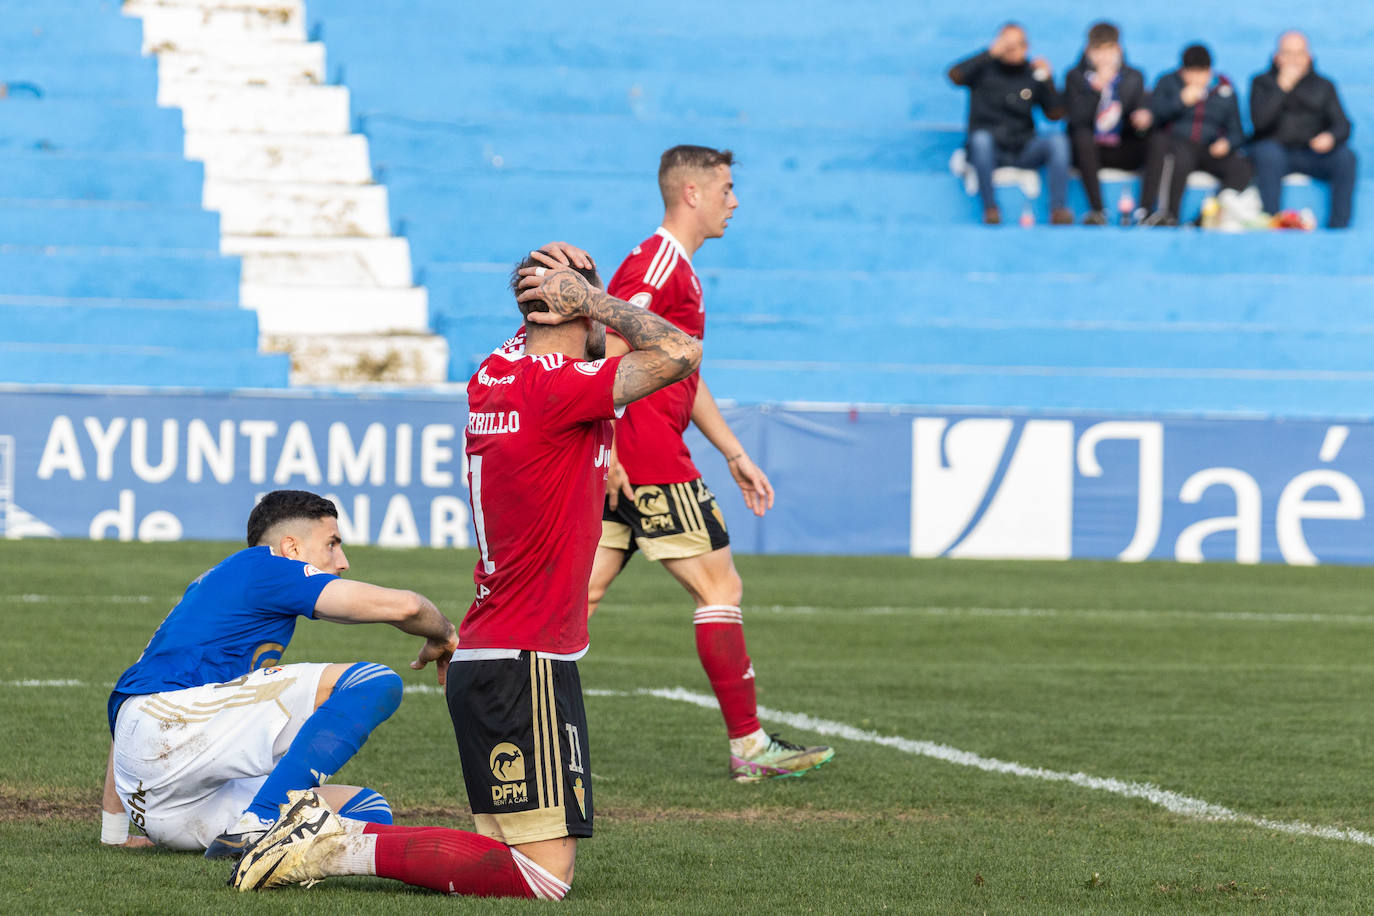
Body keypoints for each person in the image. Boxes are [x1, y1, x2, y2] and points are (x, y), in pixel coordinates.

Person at [230, 244, 704, 899]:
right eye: (598, 311)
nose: (611, 327)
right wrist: (590, 298)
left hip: (502, 649)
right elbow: (681, 352)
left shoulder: (495, 373)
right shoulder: (556, 387)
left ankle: (326, 838)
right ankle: (330, 839)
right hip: (524, 657)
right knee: (543, 877)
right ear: (576, 310)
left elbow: (557, 338)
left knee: (518, 856)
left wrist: (550, 291)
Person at [588, 145, 834, 783]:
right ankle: (749, 748)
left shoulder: (679, 270)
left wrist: (733, 451)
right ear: (691, 193)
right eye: (725, 187)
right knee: (720, 589)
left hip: (625, 458)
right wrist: (612, 445)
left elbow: (680, 370)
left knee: (575, 598)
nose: (735, 200)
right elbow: (610, 346)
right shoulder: (659, 262)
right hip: (648, 461)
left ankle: (503, 711)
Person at [101, 489, 458, 856]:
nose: (343, 560)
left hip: (160, 809)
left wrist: (114, 829)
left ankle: (255, 833)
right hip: (170, 735)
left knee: (366, 809)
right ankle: (260, 824)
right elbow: (407, 607)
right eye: (332, 544)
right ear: (291, 548)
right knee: (373, 683)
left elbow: (131, 699)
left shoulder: (216, 584)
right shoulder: (266, 565)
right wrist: (445, 634)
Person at [948, 23, 1072, 225]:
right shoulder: (983, 68)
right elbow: (954, 76)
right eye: (1008, 43)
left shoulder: (1033, 74)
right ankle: (990, 209)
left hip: (1023, 148)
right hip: (990, 149)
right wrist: (989, 53)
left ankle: (1058, 210)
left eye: (1019, 43)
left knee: (1058, 141)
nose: (1013, 49)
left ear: (1027, 46)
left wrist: (1048, 80)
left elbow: (1055, 114)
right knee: (980, 140)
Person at [1249, 31, 1357, 228]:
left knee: (1346, 157)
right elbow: (1259, 124)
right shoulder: (1261, 83)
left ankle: (1339, 225)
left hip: (1313, 153)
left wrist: (1330, 137)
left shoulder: (1324, 85)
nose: (1294, 60)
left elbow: (1343, 125)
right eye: (1288, 53)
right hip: (1276, 151)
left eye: (1299, 53)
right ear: (1277, 57)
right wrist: (1281, 88)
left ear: (1309, 56)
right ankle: (1272, 221)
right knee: (1267, 153)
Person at [1140, 44, 1251, 226]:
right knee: (1179, 157)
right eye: (1191, 74)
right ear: (1182, 71)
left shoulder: (1225, 89)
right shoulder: (1168, 82)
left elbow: (1237, 132)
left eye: (1202, 73)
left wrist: (1227, 143)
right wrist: (1181, 101)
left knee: (1242, 168)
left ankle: (1204, 219)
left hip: (1210, 148)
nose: (1197, 79)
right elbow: (1154, 116)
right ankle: (1170, 216)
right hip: (1178, 144)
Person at [1063, 21, 1153, 225]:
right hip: (1089, 151)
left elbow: (1137, 117)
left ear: (1118, 49)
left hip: (1120, 146)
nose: (1104, 57)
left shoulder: (1133, 77)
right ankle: (1097, 211)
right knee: (1082, 137)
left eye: (1109, 50)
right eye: (1098, 51)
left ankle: (1145, 212)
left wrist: (1142, 120)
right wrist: (1096, 90)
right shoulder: (1075, 77)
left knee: (1157, 140)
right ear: (1088, 51)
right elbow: (1077, 120)